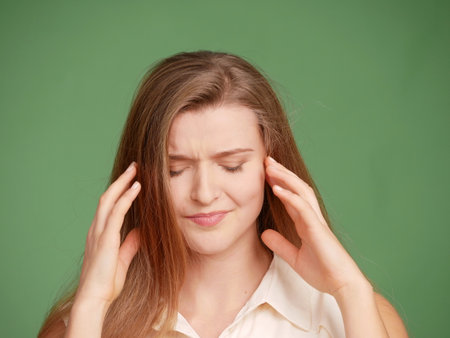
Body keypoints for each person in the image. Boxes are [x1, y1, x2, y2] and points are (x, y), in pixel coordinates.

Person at [38, 50, 408, 338]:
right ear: (143, 176)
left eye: (231, 165)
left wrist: (350, 290)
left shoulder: (357, 313)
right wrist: (91, 307)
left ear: (271, 164)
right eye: (175, 170)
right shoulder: (79, 323)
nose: (204, 193)